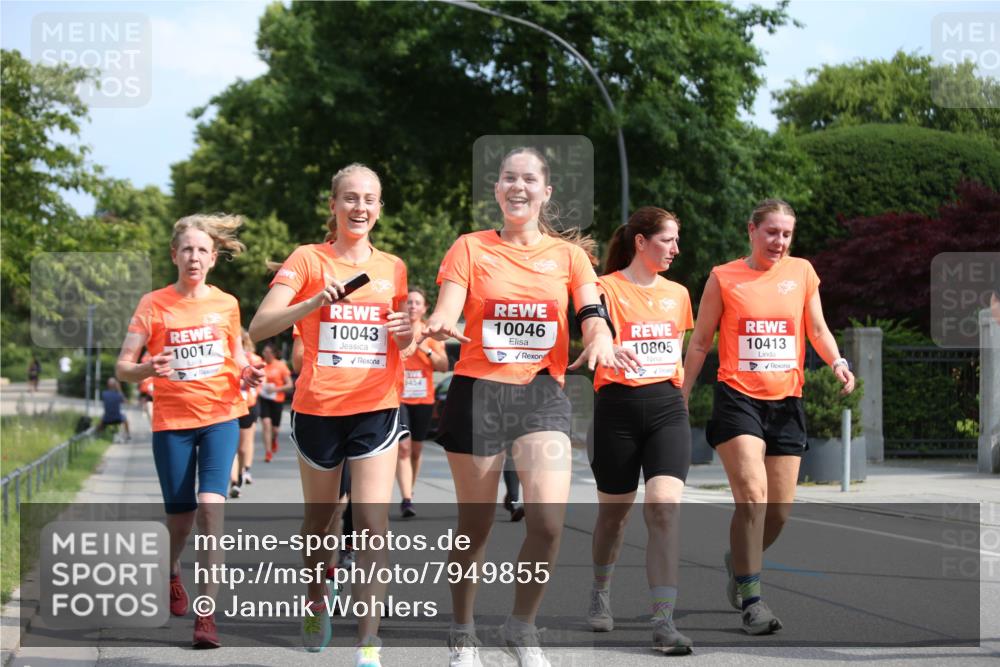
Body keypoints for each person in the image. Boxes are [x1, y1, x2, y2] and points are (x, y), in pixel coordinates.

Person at [422, 146, 622, 667]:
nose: (518, 186)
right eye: (508, 178)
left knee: (549, 521)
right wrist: (442, 322)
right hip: (478, 389)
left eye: (529, 179)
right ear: (497, 189)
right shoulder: (469, 247)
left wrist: (598, 335)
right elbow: (447, 306)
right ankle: (462, 631)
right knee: (477, 523)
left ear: (545, 191)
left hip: (541, 392)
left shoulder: (569, 257)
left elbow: (592, 310)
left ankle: (521, 627)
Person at [249, 163, 413, 666]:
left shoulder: (394, 268)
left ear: (380, 208)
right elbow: (258, 327)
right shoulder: (307, 260)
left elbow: (401, 341)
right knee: (322, 522)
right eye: (350, 198)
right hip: (319, 408)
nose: (359, 207)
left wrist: (409, 331)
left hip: (376, 406)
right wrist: (314, 302)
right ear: (333, 205)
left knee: (371, 521)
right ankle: (317, 599)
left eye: (369, 199)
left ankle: (368, 642)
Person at [682, 199, 855, 635]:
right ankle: (753, 601)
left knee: (778, 511)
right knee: (753, 497)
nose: (779, 242)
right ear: (752, 231)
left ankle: (739, 559)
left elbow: (816, 328)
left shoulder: (801, 273)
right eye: (772, 232)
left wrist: (836, 361)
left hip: (786, 402)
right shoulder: (724, 277)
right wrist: (680, 395)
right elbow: (701, 342)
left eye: (786, 234)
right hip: (738, 398)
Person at [116, 214, 263, 649]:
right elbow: (123, 367)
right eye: (187, 249)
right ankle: (172, 571)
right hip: (173, 423)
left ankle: (206, 616)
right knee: (180, 518)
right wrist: (146, 366)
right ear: (174, 255)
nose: (194, 257)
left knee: (211, 509)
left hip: (221, 415)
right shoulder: (153, 304)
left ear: (213, 258)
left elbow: (234, 354)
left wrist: (248, 371)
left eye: (202, 250)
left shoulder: (227, 304)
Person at [585, 207, 693, 654]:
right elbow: (593, 335)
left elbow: (677, 357)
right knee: (615, 516)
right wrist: (610, 344)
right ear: (641, 242)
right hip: (617, 411)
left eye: (676, 241)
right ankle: (600, 589)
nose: (675, 249)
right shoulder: (603, 289)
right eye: (667, 240)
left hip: (667, 409)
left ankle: (663, 624)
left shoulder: (680, 294)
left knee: (664, 509)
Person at [397, 287, 449, 518]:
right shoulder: (396, 330)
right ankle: (407, 499)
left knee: (416, 450)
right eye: (409, 302)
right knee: (404, 448)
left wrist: (424, 348)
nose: (412, 306)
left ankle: (410, 489)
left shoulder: (431, 333)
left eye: (417, 303)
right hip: (398, 398)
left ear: (424, 308)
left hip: (423, 398)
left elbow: (444, 366)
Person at [230, 330, 263, 497]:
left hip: (249, 405)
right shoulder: (225, 356)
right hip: (229, 406)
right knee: (232, 447)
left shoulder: (254, 359)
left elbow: (261, 381)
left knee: (243, 448)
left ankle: (243, 472)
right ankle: (235, 482)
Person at [258, 341, 292, 463]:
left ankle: (274, 439)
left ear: (273, 354)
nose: (264, 354)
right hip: (264, 398)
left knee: (275, 429)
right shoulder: (260, 365)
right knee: (266, 423)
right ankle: (268, 452)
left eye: (267, 352)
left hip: (277, 399)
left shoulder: (281, 366)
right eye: (264, 352)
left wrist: (276, 389)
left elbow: (289, 385)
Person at [96, 377, 131, 441]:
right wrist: (119, 389)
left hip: (107, 418)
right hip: (118, 418)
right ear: (115, 385)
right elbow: (126, 402)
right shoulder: (118, 394)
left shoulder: (104, 394)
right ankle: (127, 435)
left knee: (101, 419)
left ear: (107, 385)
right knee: (125, 419)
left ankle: (98, 434)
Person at [137, 352, 155, 422]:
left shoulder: (147, 355)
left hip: (151, 385)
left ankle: (145, 410)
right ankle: (145, 409)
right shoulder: (147, 355)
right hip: (148, 386)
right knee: (148, 402)